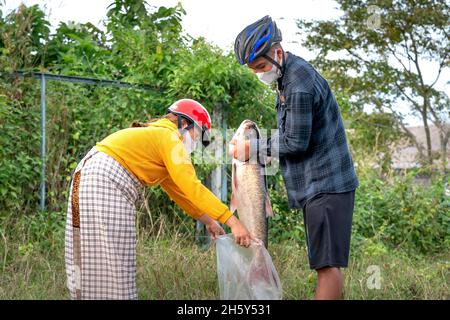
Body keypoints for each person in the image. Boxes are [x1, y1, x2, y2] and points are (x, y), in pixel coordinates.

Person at [65, 98, 252, 300]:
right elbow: (191, 186)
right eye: (198, 135)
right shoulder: (169, 137)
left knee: (92, 256)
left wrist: (208, 221)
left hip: (88, 178)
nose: (196, 143)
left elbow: (179, 190)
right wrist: (232, 221)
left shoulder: (158, 137)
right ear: (183, 123)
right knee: (115, 260)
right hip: (106, 181)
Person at [232, 16, 359, 300]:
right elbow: (293, 136)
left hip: (328, 184)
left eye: (262, 67)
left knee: (326, 266)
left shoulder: (299, 82)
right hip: (317, 185)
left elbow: (295, 141)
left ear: (277, 53)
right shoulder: (286, 79)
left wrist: (251, 149)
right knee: (325, 263)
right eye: (254, 70)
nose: (259, 74)